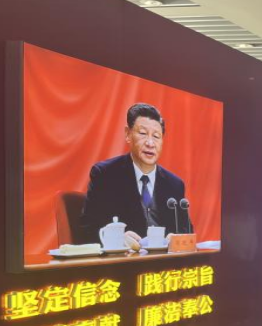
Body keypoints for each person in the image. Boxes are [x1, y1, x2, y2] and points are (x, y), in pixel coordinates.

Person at [80, 103, 188, 245]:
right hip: (125, 258)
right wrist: (116, 239)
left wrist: (177, 239)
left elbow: (186, 231)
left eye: (156, 136)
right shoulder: (105, 175)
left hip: (164, 258)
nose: (150, 143)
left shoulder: (174, 184)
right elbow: (87, 229)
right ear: (128, 134)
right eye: (143, 133)